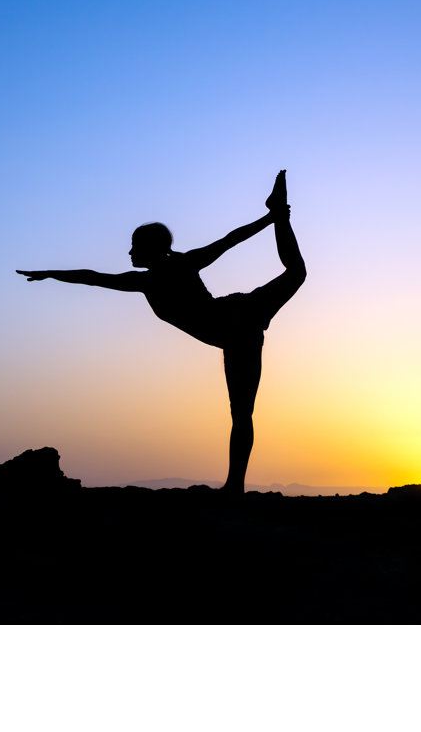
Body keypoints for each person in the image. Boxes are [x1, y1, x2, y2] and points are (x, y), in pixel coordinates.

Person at [17, 171, 306, 494]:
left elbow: (230, 239)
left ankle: (235, 486)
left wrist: (268, 220)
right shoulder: (153, 277)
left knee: (242, 412)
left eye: (133, 248)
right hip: (238, 331)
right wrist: (51, 274)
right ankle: (234, 485)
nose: (128, 254)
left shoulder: (168, 272)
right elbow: (92, 276)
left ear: (149, 249)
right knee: (242, 410)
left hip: (238, 319)